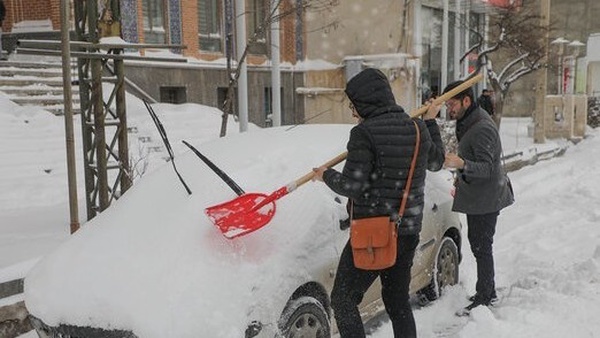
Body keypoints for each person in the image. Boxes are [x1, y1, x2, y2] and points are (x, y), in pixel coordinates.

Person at [312, 68, 445, 337]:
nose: (353, 111)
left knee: (343, 300)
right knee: (397, 301)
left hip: (374, 233)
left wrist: (324, 175)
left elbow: (351, 186)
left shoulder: (364, 133)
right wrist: (430, 122)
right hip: (407, 230)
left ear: (366, 102)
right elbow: (436, 161)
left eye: (354, 105)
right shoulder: (417, 128)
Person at [441, 80, 514, 314]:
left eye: (452, 104)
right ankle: (486, 290)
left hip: (487, 198)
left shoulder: (482, 126)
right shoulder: (468, 120)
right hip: (480, 196)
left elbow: (487, 168)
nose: (449, 109)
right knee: (479, 244)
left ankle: (485, 295)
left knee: (482, 246)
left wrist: (461, 164)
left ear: (466, 101)